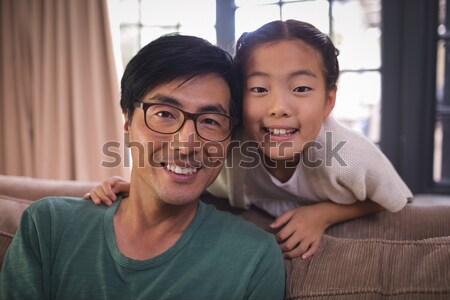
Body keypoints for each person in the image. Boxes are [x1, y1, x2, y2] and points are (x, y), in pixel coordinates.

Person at [85, 20, 412, 261]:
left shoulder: (349, 155)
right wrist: (143, 187)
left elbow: (395, 199)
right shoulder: (225, 147)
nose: (279, 108)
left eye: (300, 89)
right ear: (237, 101)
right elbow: (192, 176)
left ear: (329, 101)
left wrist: (324, 214)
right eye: (258, 89)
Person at [0, 34, 285, 300]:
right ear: (127, 123)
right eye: (163, 114)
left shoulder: (254, 257)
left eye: (210, 121)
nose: (186, 144)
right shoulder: (48, 225)